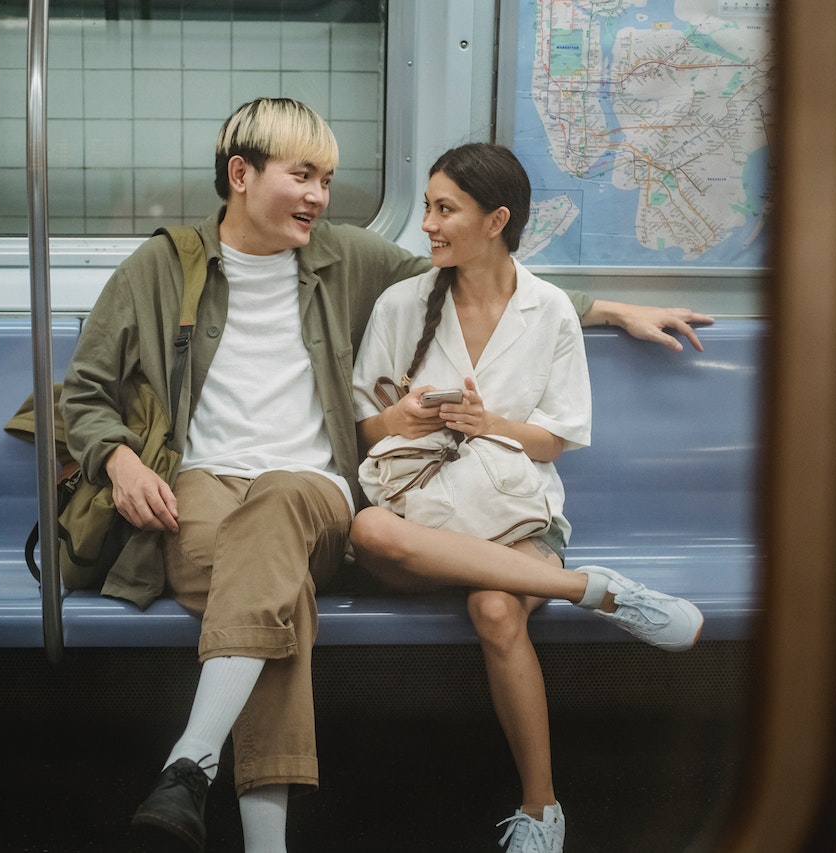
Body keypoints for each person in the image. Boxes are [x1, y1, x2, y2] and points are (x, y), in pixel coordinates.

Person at [61, 98, 712, 853]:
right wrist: (121, 457)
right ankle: (235, 817)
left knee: (275, 511)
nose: (320, 196)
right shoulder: (161, 267)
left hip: (313, 489)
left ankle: (190, 760)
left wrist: (613, 307)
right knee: (272, 602)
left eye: (327, 179)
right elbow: (86, 389)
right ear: (240, 175)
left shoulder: (346, 256)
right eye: (303, 175)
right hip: (202, 485)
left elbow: (483, 274)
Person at [349, 143, 704, 853]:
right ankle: (589, 589)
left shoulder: (547, 313)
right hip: (423, 518)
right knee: (368, 532)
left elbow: (554, 439)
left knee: (493, 606)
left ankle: (543, 811)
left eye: (444, 208)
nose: (427, 224)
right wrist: (409, 418)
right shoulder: (402, 303)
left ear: (495, 220)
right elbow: (368, 428)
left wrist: (490, 425)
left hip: (513, 512)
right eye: (425, 206)